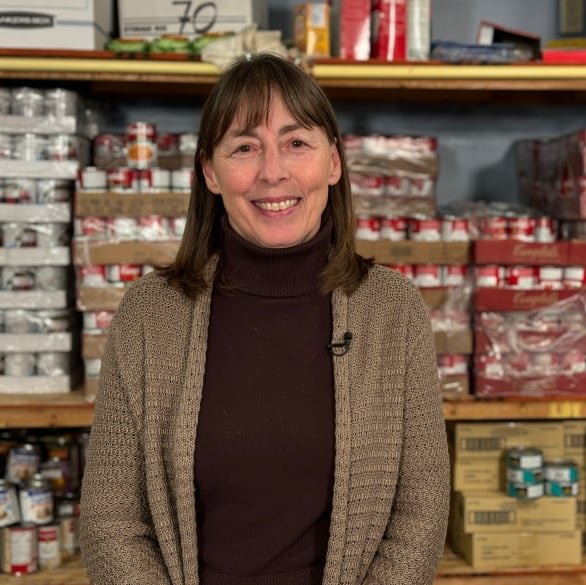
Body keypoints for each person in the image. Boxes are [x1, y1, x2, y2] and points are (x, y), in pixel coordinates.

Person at [79, 53, 450, 585]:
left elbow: (421, 508)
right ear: (210, 171)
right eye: (245, 147)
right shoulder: (148, 315)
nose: (272, 171)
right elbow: (110, 520)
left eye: (297, 143)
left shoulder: (393, 310)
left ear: (334, 162)